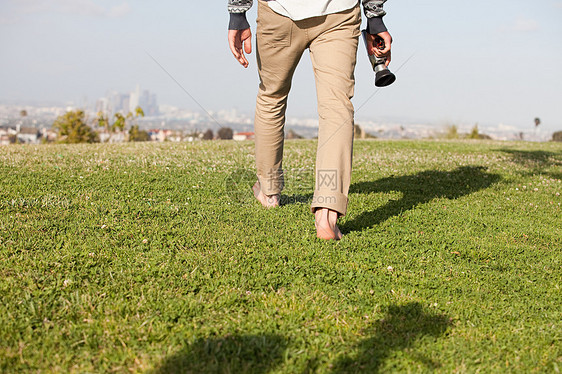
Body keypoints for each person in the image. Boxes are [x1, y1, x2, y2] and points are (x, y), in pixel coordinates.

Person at [227, 0, 392, 240]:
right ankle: (327, 212)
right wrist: (375, 17)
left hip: (278, 11)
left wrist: (238, 12)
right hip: (339, 13)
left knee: (272, 96)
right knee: (337, 106)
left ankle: (269, 192)